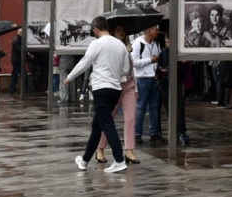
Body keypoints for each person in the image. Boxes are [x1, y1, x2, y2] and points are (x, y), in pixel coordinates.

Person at [64, 16, 132, 174]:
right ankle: (85, 159)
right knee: (97, 126)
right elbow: (125, 69)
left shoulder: (97, 43)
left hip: (101, 88)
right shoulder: (120, 45)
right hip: (115, 89)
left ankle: (119, 160)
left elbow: (84, 62)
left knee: (107, 125)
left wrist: (70, 77)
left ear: (95, 29)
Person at [99, 25, 141, 165]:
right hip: (114, 87)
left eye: (123, 30)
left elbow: (130, 69)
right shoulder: (112, 48)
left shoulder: (128, 47)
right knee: (108, 119)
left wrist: (135, 88)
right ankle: (100, 148)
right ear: (112, 32)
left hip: (129, 86)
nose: (121, 33)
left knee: (131, 118)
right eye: (118, 30)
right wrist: (124, 51)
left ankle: (129, 150)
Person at [132, 24, 165, 144]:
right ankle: (137, 133)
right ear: (149, 31)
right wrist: (150, 60)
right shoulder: (138, 44)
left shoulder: (156, 44)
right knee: (141, 106)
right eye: (155, 30)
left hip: (154, 78)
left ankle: (154, 133)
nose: (157, 32)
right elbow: (134, 62)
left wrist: (158, 68)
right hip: (142, 78)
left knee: (154, 107)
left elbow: (158, 59)